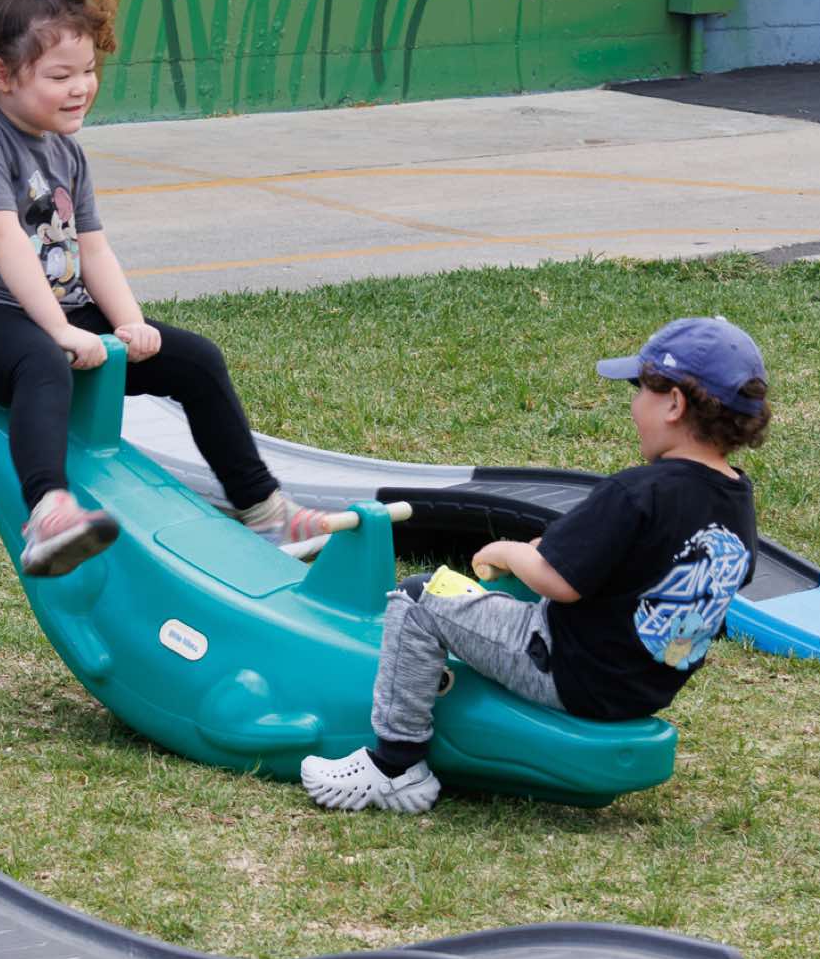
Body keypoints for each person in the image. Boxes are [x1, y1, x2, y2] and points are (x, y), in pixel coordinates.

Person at [0, 0, 339, 577]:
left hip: (55, 314)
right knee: (41, 360)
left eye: (88, 70)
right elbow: (5, 241)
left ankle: (264, 511)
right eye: (60, 75)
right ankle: (48, 514)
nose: (81, 87)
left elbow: (93, 247)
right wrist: (59, 331)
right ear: (2, 75)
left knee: (195, 359)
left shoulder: (66, 152)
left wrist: (129, 323)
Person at [298, 316, 769, 813]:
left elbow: (557, 581)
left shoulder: (637, 492)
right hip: (642, 688)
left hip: (567, 670)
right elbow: (659, 563)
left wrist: (507, 551)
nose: (633, 406)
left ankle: (395, 765)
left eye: (639, 390)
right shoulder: (737, 500)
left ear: (673, 404)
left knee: (418, 598)